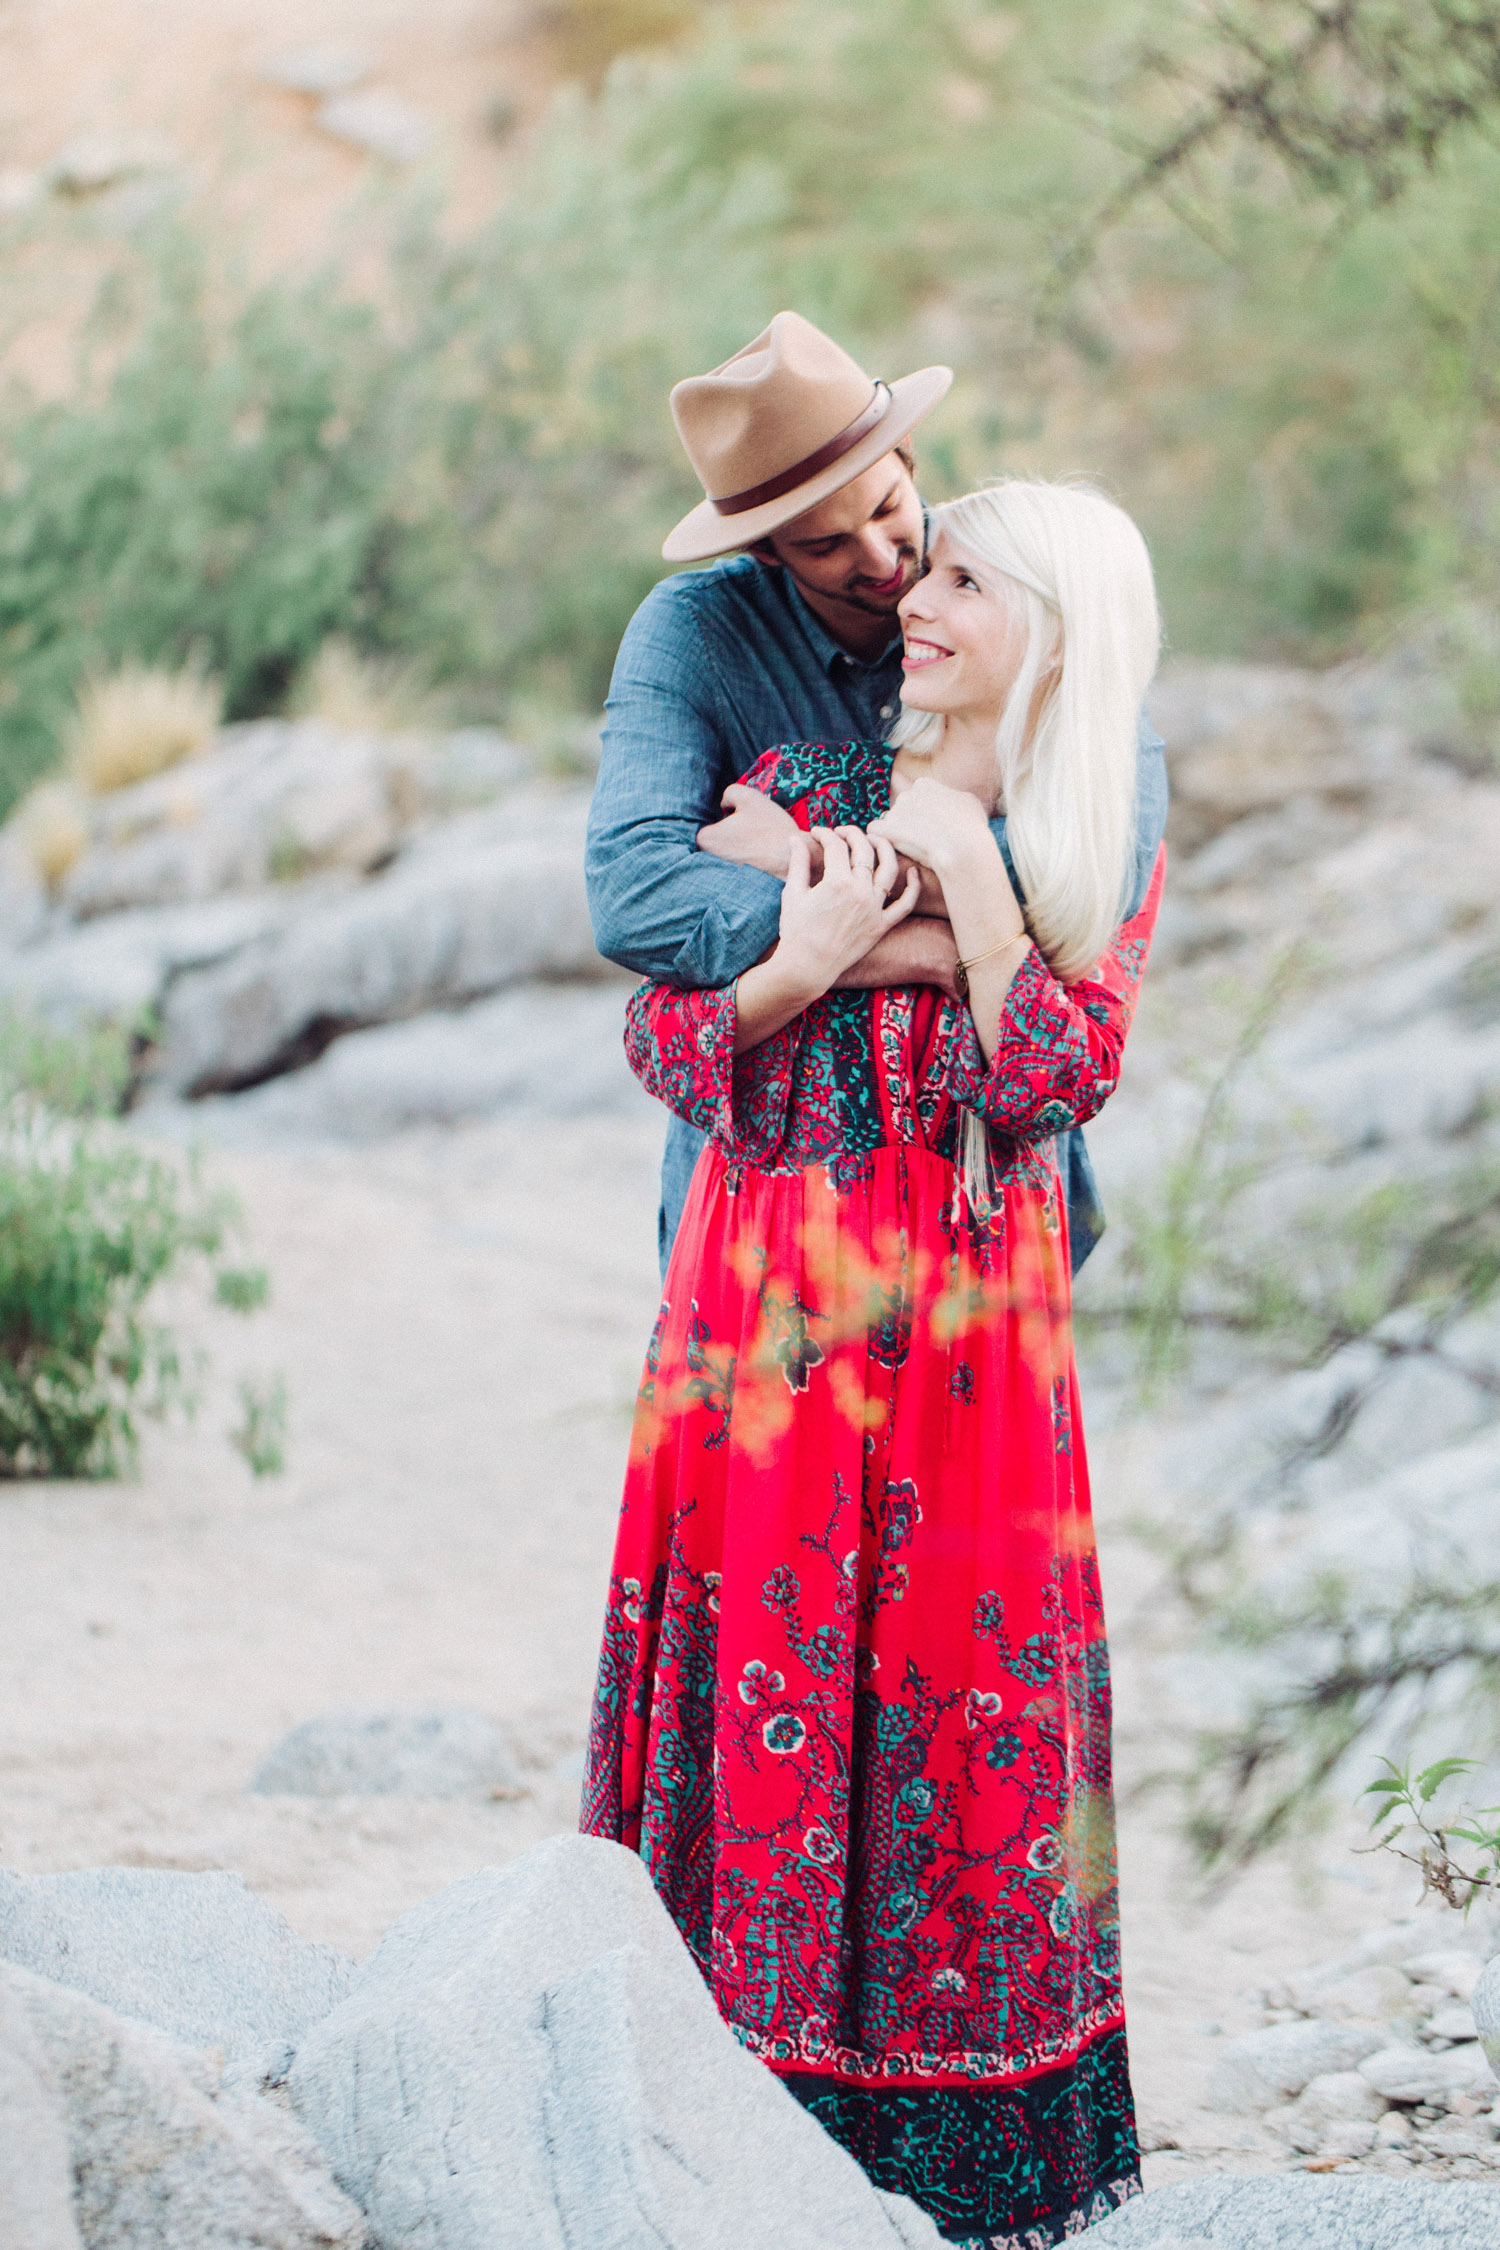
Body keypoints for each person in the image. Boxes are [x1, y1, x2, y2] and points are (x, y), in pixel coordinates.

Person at [582, 474, 1164, 2247]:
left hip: (978, 1356)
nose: (911, 594)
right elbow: (659, 1022)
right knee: (751, 1681)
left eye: (962, 578)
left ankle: (962, 2169)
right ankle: (722, 2124)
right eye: (922, 572)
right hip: (769, 1329)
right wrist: (813, 952)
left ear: (1045, 636)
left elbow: (1057, 1072)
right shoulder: (810, 792)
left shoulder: (1067, 841)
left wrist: (945, 904)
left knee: (966, 1712)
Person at [584, 310, 1167, 1277]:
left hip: (987, 1191)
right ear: (766, 551)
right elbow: (638, 901)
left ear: (908, 453)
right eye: (825, 545)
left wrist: (800, 859)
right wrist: (946, 949)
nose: (887, 563)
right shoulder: (696, 634)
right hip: (763, 1212)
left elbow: (1092, 870)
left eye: (889, 505)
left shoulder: (1017, 584)